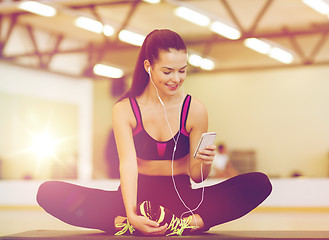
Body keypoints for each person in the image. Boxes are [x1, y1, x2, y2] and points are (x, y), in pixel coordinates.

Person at [36, 29, 272, 236]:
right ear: (148, 66)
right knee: (48, 192)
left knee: (259, 183)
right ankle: (125, 223)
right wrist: (131, 213)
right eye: (168, 71)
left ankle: (187, 224)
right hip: (133, 200)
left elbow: (197, 176)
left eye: (182, 70)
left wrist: (205, 163)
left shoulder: (195, 110)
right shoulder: (125, 110)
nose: (176, 79)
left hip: (183, 205)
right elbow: (127, 165)